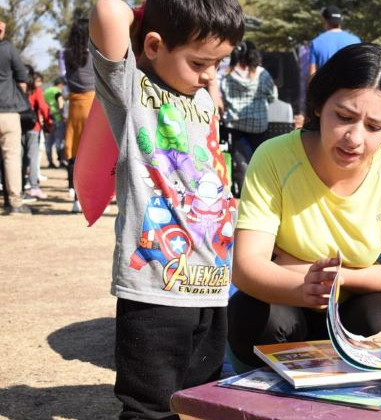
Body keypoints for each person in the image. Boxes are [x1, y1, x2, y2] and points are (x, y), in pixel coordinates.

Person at [227, 43, 381, 369]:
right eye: (344, 117)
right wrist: (303, 287)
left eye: (374, 127)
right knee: (253, 315)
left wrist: (324, 274)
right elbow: (246, 268)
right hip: (287, 305)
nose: (355, 138)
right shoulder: (274, 156)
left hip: (358, 310)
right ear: (318, 105)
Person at [90, 0, 244, 418]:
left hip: (210, 281)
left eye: (218, 62)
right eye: (199, 62)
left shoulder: (204, 99)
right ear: (154, 46)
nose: (210, 74)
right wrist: (147, 16)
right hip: (156, 285)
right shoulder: (131, 90)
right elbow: (108, 11)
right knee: (150, 406)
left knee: (199, 401)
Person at [220, 41, 275, 197]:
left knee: (241, 161)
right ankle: (261, 192)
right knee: (260, 160)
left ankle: (243, 192)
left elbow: (223, 97)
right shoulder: (262, 73)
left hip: (236, 126)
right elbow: (272, 96)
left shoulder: (228, 75)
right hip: (259, 126)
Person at [64, 9, 96, 213]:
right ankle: (93, 196)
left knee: (74, 153)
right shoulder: (94, 53)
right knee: (94, 153)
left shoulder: (67, 54)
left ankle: (76, 197)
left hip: (74, 105)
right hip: (93, 103)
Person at [0, 19, 31, 215]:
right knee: (11, 158)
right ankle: (15, 203)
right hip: (8, 112)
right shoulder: (8, 49)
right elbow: (22, 80)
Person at [307, 5, 361, 78]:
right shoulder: (356, 41)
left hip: (326, 87)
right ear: (340, 21)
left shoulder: (316, 42)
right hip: (351, 87)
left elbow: (312, 74)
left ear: (325, 20)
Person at [22, 67, 51, 200]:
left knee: (18, 157)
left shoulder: (16, 89)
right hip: (33, 127)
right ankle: (33, 187)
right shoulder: (35, 90)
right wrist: (48, 123)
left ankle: (19, 186)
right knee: (32, 157)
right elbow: (44, 108)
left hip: (18, 126)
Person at [43, 76, 66, 168]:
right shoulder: (57, 91)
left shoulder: (46, 91)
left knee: (48, 142)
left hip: (48, 119)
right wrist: (61, 111)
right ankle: (61, 162)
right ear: (60, 84)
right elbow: (60, 101)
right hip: (58, 119)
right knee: (59, 141)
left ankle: (50, 162)